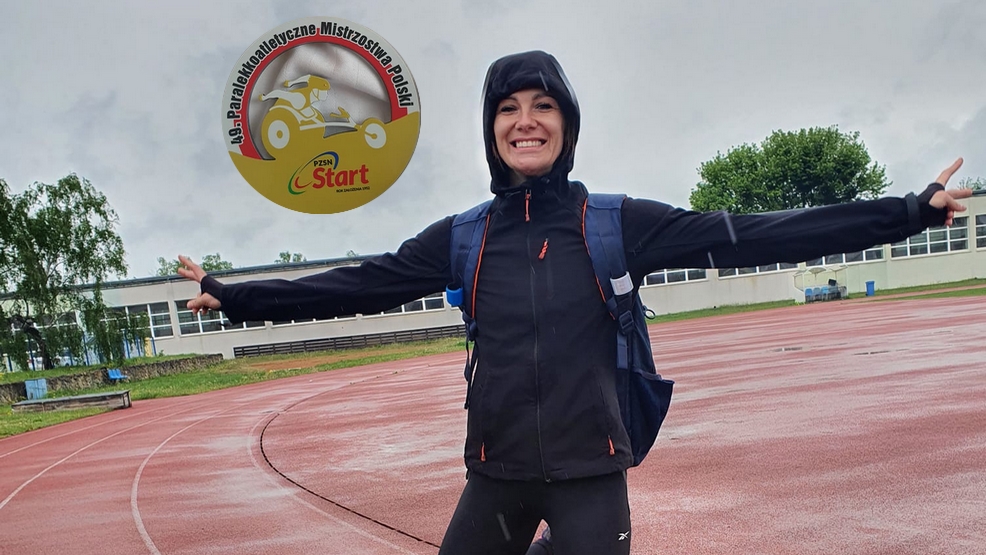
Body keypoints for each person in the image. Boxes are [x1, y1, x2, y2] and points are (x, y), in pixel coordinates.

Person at [179, 51, 970, 555]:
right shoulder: (464, 236)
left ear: (566, 124)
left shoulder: (616, 223)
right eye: (508, 108)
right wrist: (233, 296)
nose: (525, 121)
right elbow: (356, 284)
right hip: (495, 474)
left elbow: (754, 235)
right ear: (491, 130)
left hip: (591, 474)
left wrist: (907, 212)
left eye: (543, 106)